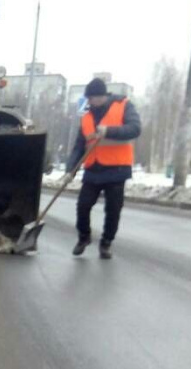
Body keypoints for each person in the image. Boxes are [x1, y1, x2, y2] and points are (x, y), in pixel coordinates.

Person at [65, 78, 142, 259]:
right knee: (83, 206)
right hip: (93, 168)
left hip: (117, 169)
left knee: (113, 210)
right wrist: (70, 170)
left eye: (93, 98)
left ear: (102, 96)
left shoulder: (123, 105)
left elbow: (135, 129)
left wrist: (109, 131)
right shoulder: (87, 116)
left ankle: (106, 243)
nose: (91, 102)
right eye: (89, 99)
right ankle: (84, 237)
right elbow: (79, 145)